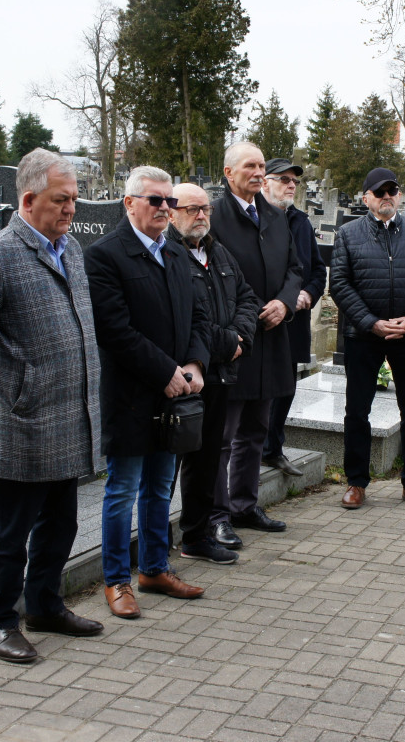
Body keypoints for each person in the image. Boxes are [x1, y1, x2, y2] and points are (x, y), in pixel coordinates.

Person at [0, 149, 103, 664]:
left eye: (74, 200)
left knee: (61, 523)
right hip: (22, 419)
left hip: (71, 413)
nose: (70, 210)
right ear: (28, 199)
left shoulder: (73, 249)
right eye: (60, 200)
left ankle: (44, 604)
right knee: (11, 529)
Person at [84, 166, 210, 618]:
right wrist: (165, 371)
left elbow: (199, 314)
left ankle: (154, 568)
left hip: (174, 395)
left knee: (159, 488)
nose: (164, 209)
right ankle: (117, 580)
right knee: (122, 490)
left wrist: (195, 363)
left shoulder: (175, 253)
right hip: (132, 395)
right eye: (154, 200)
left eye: (169, 202)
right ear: (129, 203)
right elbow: (115, 330)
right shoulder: (104, 255)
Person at [331, 167, 405, 509]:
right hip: (364, 336)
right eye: (379, 192)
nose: (386, 197)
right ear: (366, 197)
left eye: (392, 191)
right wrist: (370, 322)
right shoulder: (348, 234)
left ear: (399, 195)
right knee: (357, 410)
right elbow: (340, 282)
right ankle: (356, 482)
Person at [210, 143, 302, 541]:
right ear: (229, 172)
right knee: (222, 436)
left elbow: (295, 269)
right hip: (234, 339)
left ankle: (244, 505)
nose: (258, 172)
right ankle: (216, 515)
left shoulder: (274, 215)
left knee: (255, 430)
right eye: (250, 166)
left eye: (262, 166)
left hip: (272, 337)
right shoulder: (213, 215)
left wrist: (284, 303)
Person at [166, 182, 260, 562]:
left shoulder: (219, 253)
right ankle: (156, 545)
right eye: (191, 209)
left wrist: (242, 338)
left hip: (221, 375)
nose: (201, 215)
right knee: (168, 466)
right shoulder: (169, 254)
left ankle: (196, 536)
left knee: (206, 461)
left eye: (206, 208)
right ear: (172, 213)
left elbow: (248, 299)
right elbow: (187, 320)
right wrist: (228, 343)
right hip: (185, 377)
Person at [261, 158, 327, 477]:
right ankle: (251, 447)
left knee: (286, 386)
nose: (291, 185)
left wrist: (308, 294)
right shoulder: (254, 219)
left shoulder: (300, 221)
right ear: (264, 182)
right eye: (284, 179)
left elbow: (316, 270)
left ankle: (273, 449)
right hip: (262, 319)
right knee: (259, 388)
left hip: (294, 321)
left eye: (295, 181)